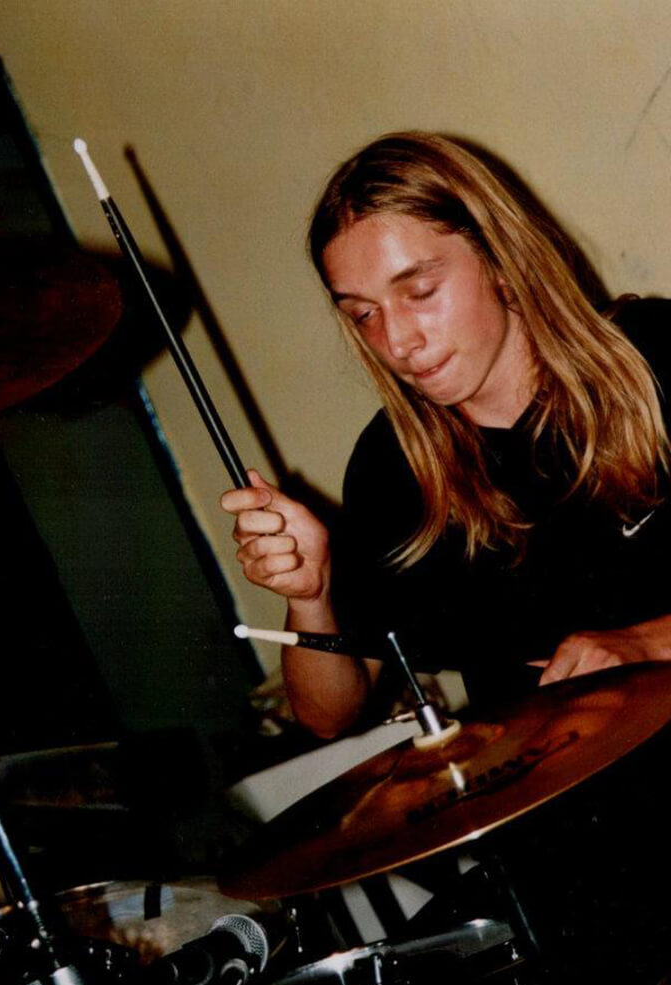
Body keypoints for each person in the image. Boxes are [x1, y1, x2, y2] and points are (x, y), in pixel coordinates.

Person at [221, 131, 671, 737]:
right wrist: (311, 596)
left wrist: (647, 643)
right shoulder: (391, 467)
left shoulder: (655, 353)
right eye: (363, 314)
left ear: (502, 259)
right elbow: (331, 716)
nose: (397, 341)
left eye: (420, 292)